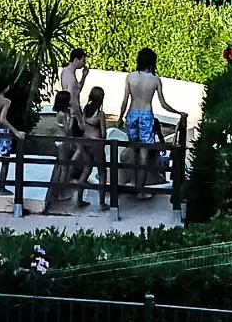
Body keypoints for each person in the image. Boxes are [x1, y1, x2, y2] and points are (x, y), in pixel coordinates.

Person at [122, 47, 180, 200]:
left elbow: (125, 100)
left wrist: (120, 117)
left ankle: (133, 181)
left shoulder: (130, 77)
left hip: (132, 114)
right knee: (143, 154)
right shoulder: (155, 80)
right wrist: (178, 112)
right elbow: (163, 104)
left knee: (133, 149)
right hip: (146, 116)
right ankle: (140, 191)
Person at [69, 86, 108, 207]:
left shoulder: (85, 109)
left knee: (86, 170)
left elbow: (82, 126)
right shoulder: (100, 114)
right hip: (96, 144)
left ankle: (79, 199)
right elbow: (103, 133)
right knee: (102, 172)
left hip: (85, 142)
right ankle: (102, 203)